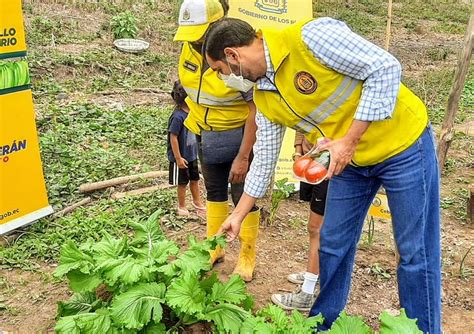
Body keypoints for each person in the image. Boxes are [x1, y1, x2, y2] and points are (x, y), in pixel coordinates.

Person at [204, 17, 441, 333]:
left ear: (233, 55)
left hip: (403, 145)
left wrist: (349, 140)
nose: (225, 78)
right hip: (351, 162)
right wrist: (239, 213)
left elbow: (385, 68)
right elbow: (263, 162)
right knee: (332, 243)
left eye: (221, 70)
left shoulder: (309, 38)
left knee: (415, 251)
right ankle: (323, 325)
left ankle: (423, 329)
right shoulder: (265, 95)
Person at [173, 0, 260, 281]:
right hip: (205, 133)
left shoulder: (237, 56)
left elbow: (255, 108)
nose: (196, 41)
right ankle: (215, 247)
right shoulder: (188, 49)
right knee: (214, 192)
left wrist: (244, 155)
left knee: (242, 195)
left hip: (239, 135)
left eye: (201, 34)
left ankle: (247, 254)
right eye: (191, 35)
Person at [271, 132, 328, 312]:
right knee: (314, 227)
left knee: (317, 228)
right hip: (310, 156)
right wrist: (298, 150)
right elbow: (302, 121)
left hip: (328, 161)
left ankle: (307, 294)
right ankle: (315, 274)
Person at [167, 80, 205, 217]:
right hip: (180, 157)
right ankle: (182, 206)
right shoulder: (177, 117)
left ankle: (197, 203)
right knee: (182, 183)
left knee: (195, 179)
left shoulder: (193, 112)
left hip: (192, 154)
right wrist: (178, 158)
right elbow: (173, 137)